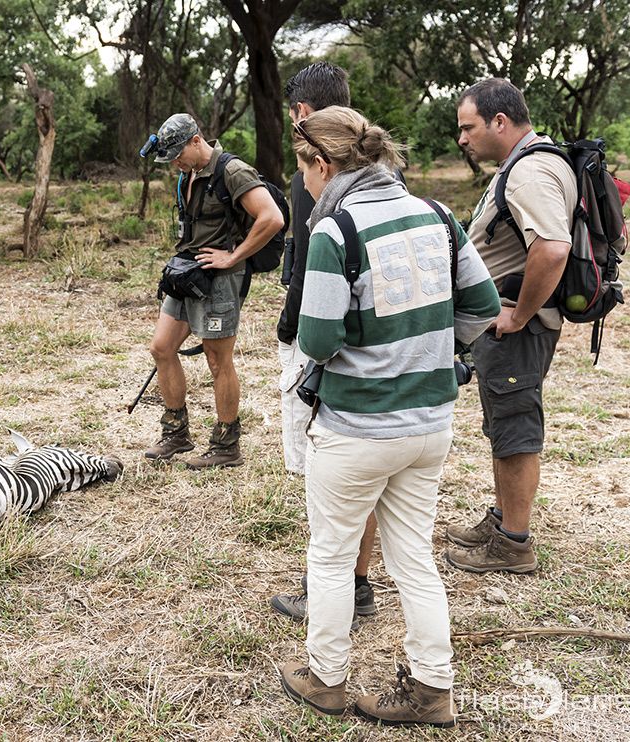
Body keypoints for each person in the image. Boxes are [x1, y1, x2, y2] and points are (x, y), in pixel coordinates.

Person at [277, 106, 500, 727]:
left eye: (304, 169)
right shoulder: (437, 215)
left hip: (356, 428)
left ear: (323, 165)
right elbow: (483, 305)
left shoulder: (335, 232)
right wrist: (428, 350)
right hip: (429, 423)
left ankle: (326, 678)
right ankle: (432, 688)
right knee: (414, 559)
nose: (305, 182)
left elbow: (317, 340)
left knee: (330, 555)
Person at [443, 78, 575, 574]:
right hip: (507, 327)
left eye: (468, 127)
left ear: (499, 121)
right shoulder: (529, 162)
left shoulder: (529, 172)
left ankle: (513, 544)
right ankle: (501, 521)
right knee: (503, 424)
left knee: (516, 428)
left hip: (517, 328)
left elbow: (552, 248)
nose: (462, 138)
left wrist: (517, 314)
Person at [269, 62, 380, 628]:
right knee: (365, 481)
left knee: (322, 469)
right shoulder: (379, 165)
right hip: (378, 341)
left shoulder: (315, 172)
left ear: (302, 114)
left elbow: (312, 270)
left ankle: (327, 589)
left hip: (323, 337)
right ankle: (357, 583)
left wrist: (289, 331)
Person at [143, 113, 285, 468]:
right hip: (188, 273)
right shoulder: (187, 174)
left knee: (217, 359)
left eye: (178, 154)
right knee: (162, 347)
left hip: (221, 279)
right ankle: (176, 433)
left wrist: (233, 256)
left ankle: (226, 445)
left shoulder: (233, 171)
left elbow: (272, 218)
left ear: (197, 140)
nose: (175, 163)